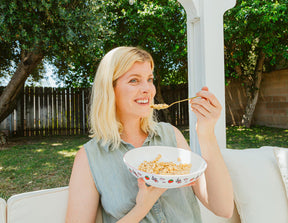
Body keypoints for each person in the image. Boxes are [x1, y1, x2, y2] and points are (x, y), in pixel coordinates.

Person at [65, 46, 234, 223]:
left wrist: (206, 132)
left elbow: (223, 208)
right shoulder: (90, 157)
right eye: (134, 81)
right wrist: (142, 207)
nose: (148, 89)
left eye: (149, 79)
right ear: (110, 89)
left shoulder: (171, 136)